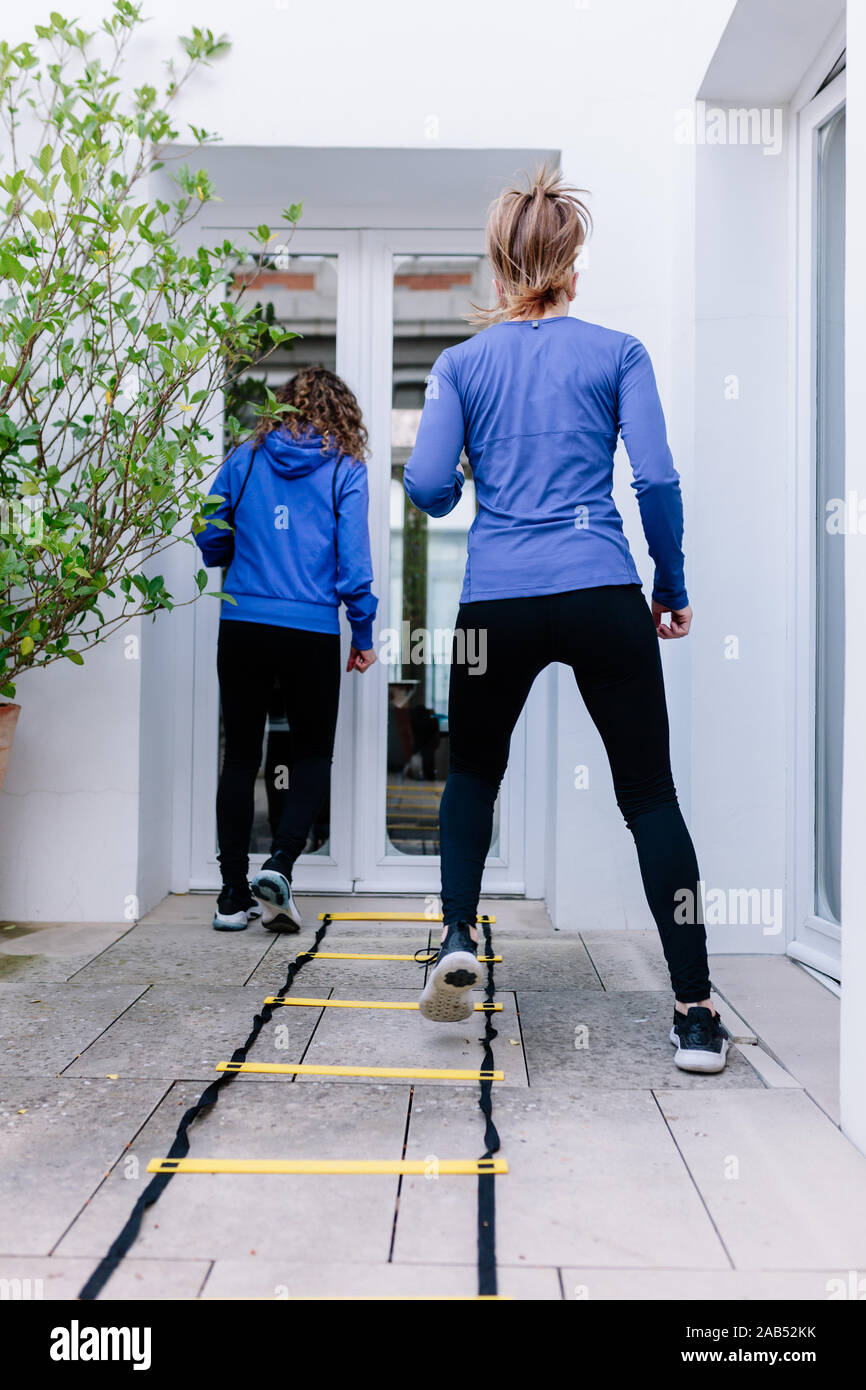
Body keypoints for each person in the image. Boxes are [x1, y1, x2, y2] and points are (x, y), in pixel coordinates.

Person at [404, 166, 727, 1073]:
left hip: (495, 602)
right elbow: (656, 479)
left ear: (501, 266)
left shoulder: (462, 365)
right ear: (571, 261)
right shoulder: (618, 351)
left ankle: (459, 937)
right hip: (600, 592)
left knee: (470, 774)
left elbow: (427, 485)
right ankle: (695, 1012)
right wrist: (670, 582)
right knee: (650, 797)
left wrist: (471, 478)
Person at [195, 367, 377, 932]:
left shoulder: (243, 458)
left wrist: (232, 549)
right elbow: (354, 568)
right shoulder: (346, 470)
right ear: (342, 413)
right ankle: (279, 865)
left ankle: (230, 897)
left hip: (244, 622)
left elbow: (209, 530)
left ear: (282, 408)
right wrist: (363, 634)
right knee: (311, 753)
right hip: (311, 631)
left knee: (242, 756)